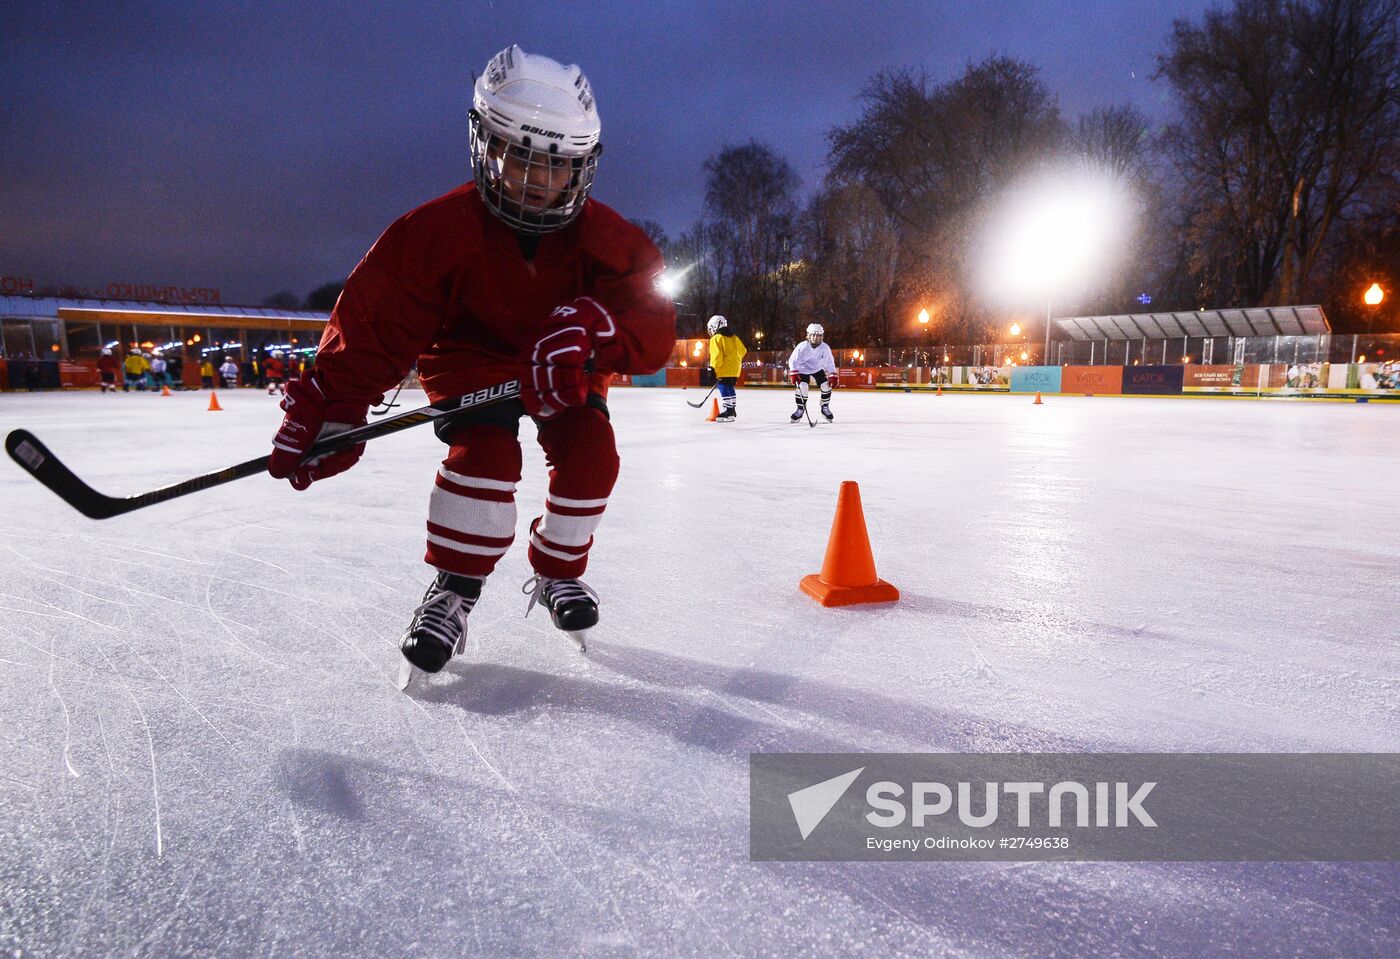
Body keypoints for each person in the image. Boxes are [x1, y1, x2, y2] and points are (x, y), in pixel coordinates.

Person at [265, 45, 675, 680]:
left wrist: (597, 331)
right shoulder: (433, 232)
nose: (539, 179)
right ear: (486, 144)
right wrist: (335, 402)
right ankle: (453, 590)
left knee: (592, 455)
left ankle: (559, 572)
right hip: (470, 363)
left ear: (583, 165)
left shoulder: (609, 237)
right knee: (482, 463)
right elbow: (378, 320)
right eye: (520, 156)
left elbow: (649, 315)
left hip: (559, 363)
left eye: (558, 163)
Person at [788, 323, 838, 422]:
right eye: (813, 335)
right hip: (803, 369)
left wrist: (832, 374)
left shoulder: (825, 348)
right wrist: (794, 372)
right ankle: (800, 409)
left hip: (817, 369)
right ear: (808, 336)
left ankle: (825, 407)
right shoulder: (802, 346)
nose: (815, 337)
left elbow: (829, 362)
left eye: (818, 335)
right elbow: (793, 360)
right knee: (802, 387)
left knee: (826, 386)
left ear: (821, 336)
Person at [706, 315, 746, 422]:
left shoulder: (716, 338)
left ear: (715, 326)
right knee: (730, 388)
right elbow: (743, 351)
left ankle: (728, 411)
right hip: (735, 369)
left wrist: (712, 368)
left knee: (723, 387)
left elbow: (717, 356)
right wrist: (734, 360)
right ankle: (732, 410)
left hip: (724, 369)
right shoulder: (734, 338)